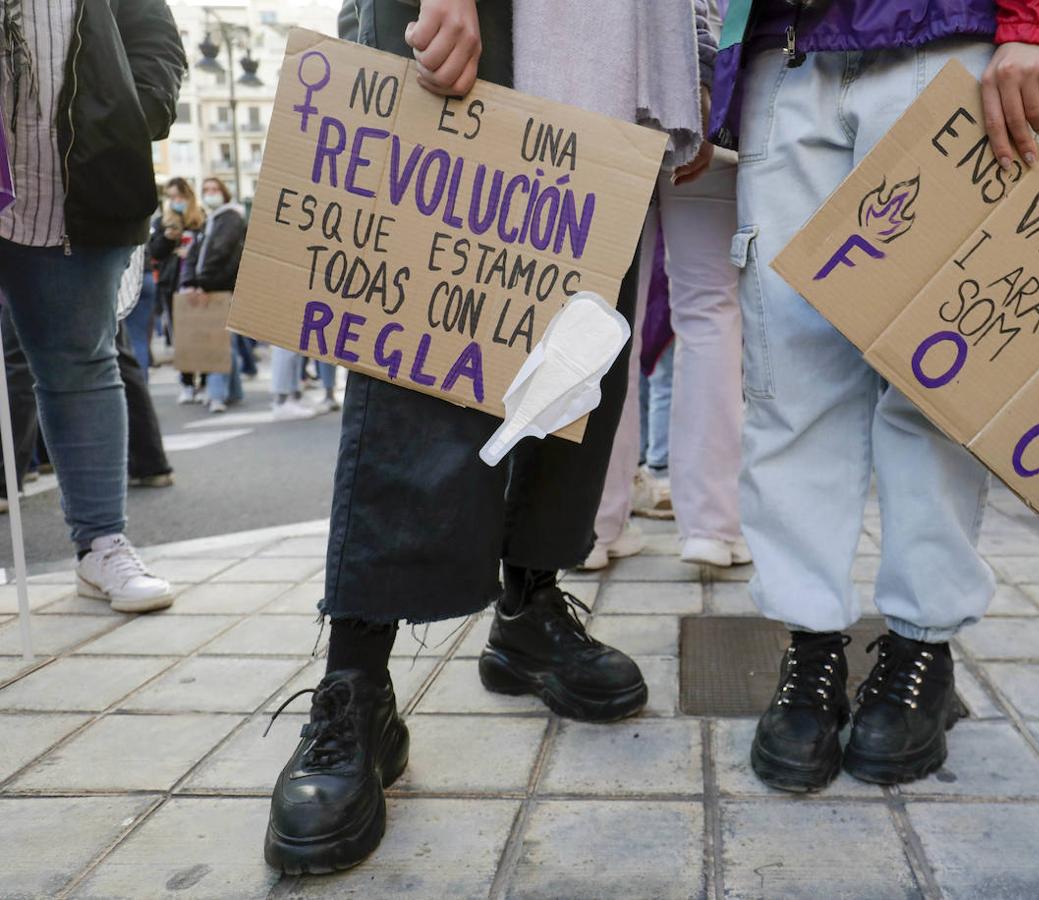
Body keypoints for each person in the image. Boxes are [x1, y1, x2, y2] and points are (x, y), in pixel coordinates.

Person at [262, 0, 717, 875]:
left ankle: (529, 608)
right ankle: (357, 678)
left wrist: (687, 56)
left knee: (578, 347)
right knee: (419, 345)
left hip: (609, 48)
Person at [710, 0, 1039, 792]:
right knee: (788, 377)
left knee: (939, 378)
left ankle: (920, 648)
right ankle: (811, 649)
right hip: (789, 45)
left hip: (949, 38)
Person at [0, 0, 183, 612]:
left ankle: (102, 546)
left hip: (78, 184)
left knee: (79, 367)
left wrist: (138, 109)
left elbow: (153, 33)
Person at [587, 141, 751, 569]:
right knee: (711, 312)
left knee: (605, 309)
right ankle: (711, 528)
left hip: (611, 112)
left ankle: (593, 526)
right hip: (703, 115)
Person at [180, 177, 247, 414]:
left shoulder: (231, 218)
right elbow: (194, 253)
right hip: (212, 286)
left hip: (220, 287)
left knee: (216, 344)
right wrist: (190, 282)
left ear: (225, 192)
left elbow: (221, 252)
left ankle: (217, 395)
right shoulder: (211, 219)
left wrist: (203, 284)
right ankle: (235, 392)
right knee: (225, 343)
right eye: (206, 189)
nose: (210, 193)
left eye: (215, 189)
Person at [149, 177, 208, 404]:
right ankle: (186, 382)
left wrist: (190, 254)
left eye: (180, 197)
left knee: (202, 336)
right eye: (172, 197)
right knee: (181, 339)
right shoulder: (162, 222)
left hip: (198, 284)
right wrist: (166, 239)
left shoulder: (200, 219)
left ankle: (204, 381)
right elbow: (154, 251)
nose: (176, 201)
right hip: (172, 285)